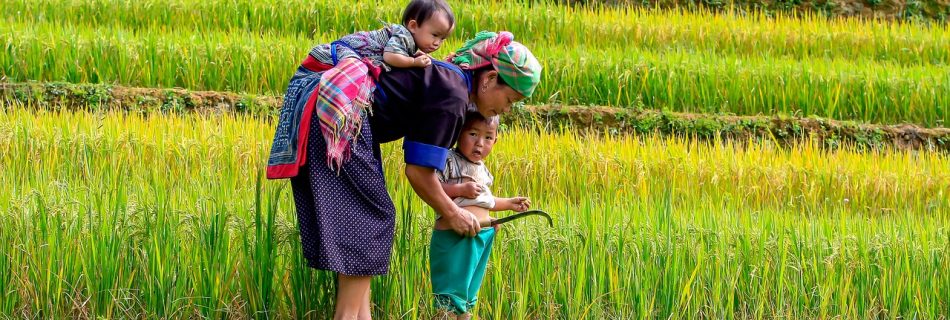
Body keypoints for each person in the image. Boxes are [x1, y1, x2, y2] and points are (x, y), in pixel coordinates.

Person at [266, 27, 541, 319]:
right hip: (343, 117)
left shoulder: (449, 83)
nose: (507, 109)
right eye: (510, 100)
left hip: (344, 118)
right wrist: (454, 213)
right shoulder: (453, 97)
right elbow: (419, 173)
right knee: (371, 219)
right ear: (488, 79)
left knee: (369, 220)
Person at [431, 111, 531, 319]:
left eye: (488, 137)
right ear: (459, 133)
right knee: (451, 294)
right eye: (473, 134)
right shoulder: (449, 159)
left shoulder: (483, 170)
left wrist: (510, 204)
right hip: (455, 235)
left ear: (495, 140)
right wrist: (460, 189)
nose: (480, 144)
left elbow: (488, 201)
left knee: (468, 294)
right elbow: (434, 187)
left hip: (482, 235)